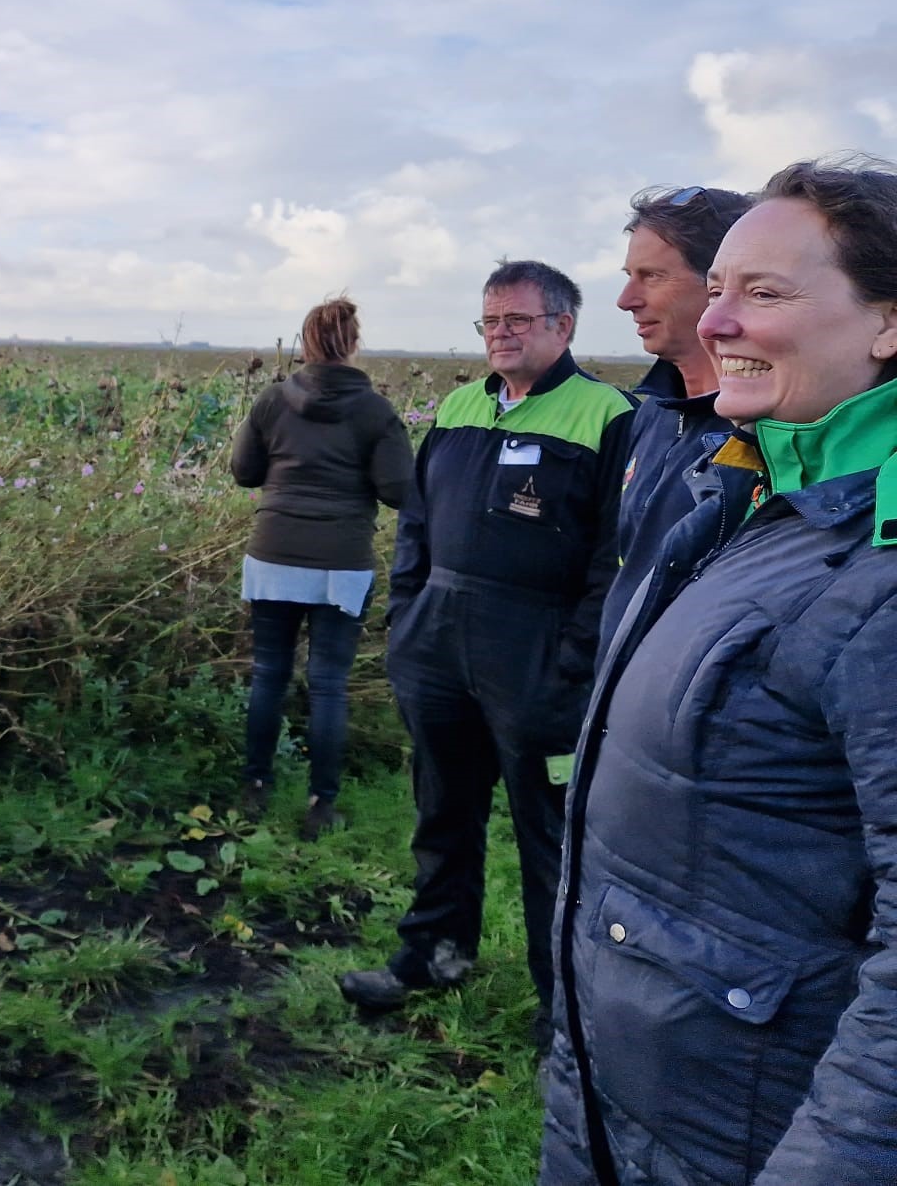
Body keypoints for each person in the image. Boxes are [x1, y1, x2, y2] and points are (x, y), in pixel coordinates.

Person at [544, 157, 897, 1185]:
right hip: (632, 1091)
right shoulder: (752, 497)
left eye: (764, 293)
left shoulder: (873, 563)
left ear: (885, 322)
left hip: (746, 1131)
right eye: (714, 292)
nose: (714, 324)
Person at [338, 262, 633, 1043]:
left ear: (563, 326)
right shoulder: (461, 409)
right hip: (437, 645)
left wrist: (574, 662)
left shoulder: (608, 417)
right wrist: (407, 622)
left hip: (535, 659)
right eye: (490, 323)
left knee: (550, 840)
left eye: (517, 321)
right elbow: (415, 526)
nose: (500, 335)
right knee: (442, 812)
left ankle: (562, 1009)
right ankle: (433, 955)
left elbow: (615, 557)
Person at [229, 297, 412, 841]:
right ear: (354, 343)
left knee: (268, 674)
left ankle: (255, 787)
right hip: (341, 561)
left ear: (305, 343)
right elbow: (400, 490)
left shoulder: (271, 402)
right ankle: (320, 805)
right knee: (328, 684)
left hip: (274, 552)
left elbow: (243, 472)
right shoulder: (376, 412)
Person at [602, 185, 753, 644]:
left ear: (720, 285)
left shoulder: (766, 427)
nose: (626, 299)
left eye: (652, 277)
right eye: (630, 274)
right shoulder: (652, 414)